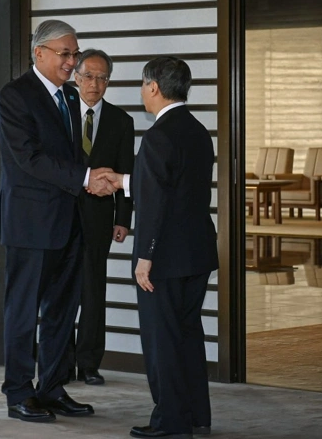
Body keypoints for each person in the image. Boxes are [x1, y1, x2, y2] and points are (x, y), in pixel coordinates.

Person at [0, 20, 115, 423]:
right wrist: (84, 178)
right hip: (30, 224)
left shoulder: (68, 97)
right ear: (39, 53)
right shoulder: (16, 96)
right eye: (64, 53)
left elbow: (72, 157)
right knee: (24, 312)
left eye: (74, 53)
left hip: (69, 222)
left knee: (63, 311)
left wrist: (93, 179)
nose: (71, 61)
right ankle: (19, 393)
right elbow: (29, 158)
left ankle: (52, 388)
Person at [97, 57, 218, 438]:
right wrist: (124, 181)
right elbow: (169, 185)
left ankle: (170, 422)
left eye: (142, 84)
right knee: (186, 336)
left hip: (164, 257)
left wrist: (144, 257)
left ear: (153, 87)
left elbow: (155, 205)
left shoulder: (158, 135)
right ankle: (196, 414)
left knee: (161, 340)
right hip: (197, 252)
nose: (141, 92)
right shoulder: (196, 130)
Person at [66, 49, 135, 386]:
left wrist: (123, 219)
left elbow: (127, 172)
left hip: (98, 219)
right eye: (89, 76)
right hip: (60, 217)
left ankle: (89, 363)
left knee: (94, 292)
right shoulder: (60, 113)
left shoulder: (122, 121)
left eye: (102, 77)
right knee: (60, 292)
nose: (95, 84)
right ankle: (60, 362)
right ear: (76, 77)